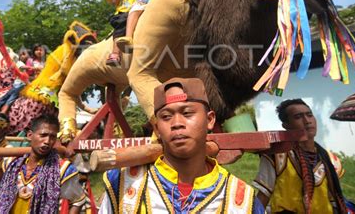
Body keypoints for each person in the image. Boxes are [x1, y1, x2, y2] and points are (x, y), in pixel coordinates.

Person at [99, 77, 264, 213]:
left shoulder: (241, 200)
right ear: (157, 128)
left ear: (209, 120)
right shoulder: (123, 186)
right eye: (166, 116)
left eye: (187, 113)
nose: (177, 123)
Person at [252, 99, 348, 213]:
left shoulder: (330, 160)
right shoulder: (277, 156)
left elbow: (334, 201)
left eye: (310, 115)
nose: (307, 121)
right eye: (298, 117)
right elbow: (263, 197)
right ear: (286, 125)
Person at [0, 114, 86, 214]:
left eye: (52, 137)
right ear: (30, 135)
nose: (47, 141)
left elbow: (78, 201)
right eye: (43, 135)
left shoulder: (63, 169)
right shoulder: (13, 166)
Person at [105, 0, 137, 66]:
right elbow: (114, 1)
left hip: (137, 11)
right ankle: (115, 54)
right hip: (123, 14)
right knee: (121, 22)